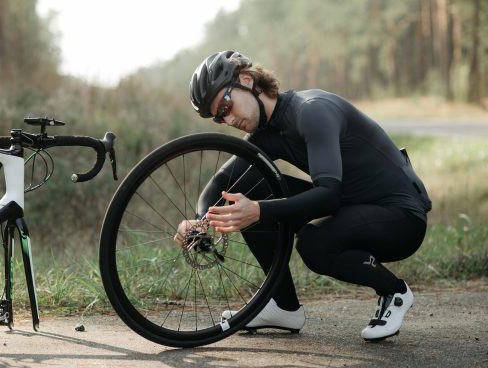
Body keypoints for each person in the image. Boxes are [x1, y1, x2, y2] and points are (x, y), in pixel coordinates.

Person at [176, 50, 432, 342]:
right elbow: (224, 180)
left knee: (313, 243)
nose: (228, 118)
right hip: (354, 205)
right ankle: (283, 307)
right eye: (219, 118)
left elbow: (329, 196)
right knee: (246, 188)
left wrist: (259, 211)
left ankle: (394, 292)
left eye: (226, 105)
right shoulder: (268, 132)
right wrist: (199, 221)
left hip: (401, 218)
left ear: (246, 80)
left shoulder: (311, 111)